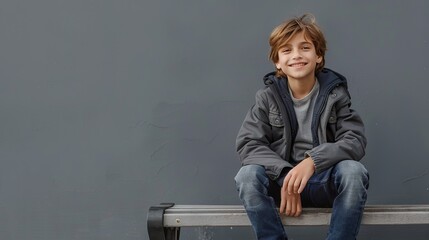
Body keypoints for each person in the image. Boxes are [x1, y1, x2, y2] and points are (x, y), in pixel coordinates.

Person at [234, 13, 369, 240]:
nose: (296, 55)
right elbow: (249, 143)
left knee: (354, 172)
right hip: (280, 186)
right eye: (287, 50)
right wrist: (288, 174)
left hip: (322, 182)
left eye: (305, 47)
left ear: (318, 56)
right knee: (247, 176)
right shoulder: (267, 97)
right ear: (277, 61)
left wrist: (312, 162)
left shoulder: (336, 94)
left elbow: (354, 140)